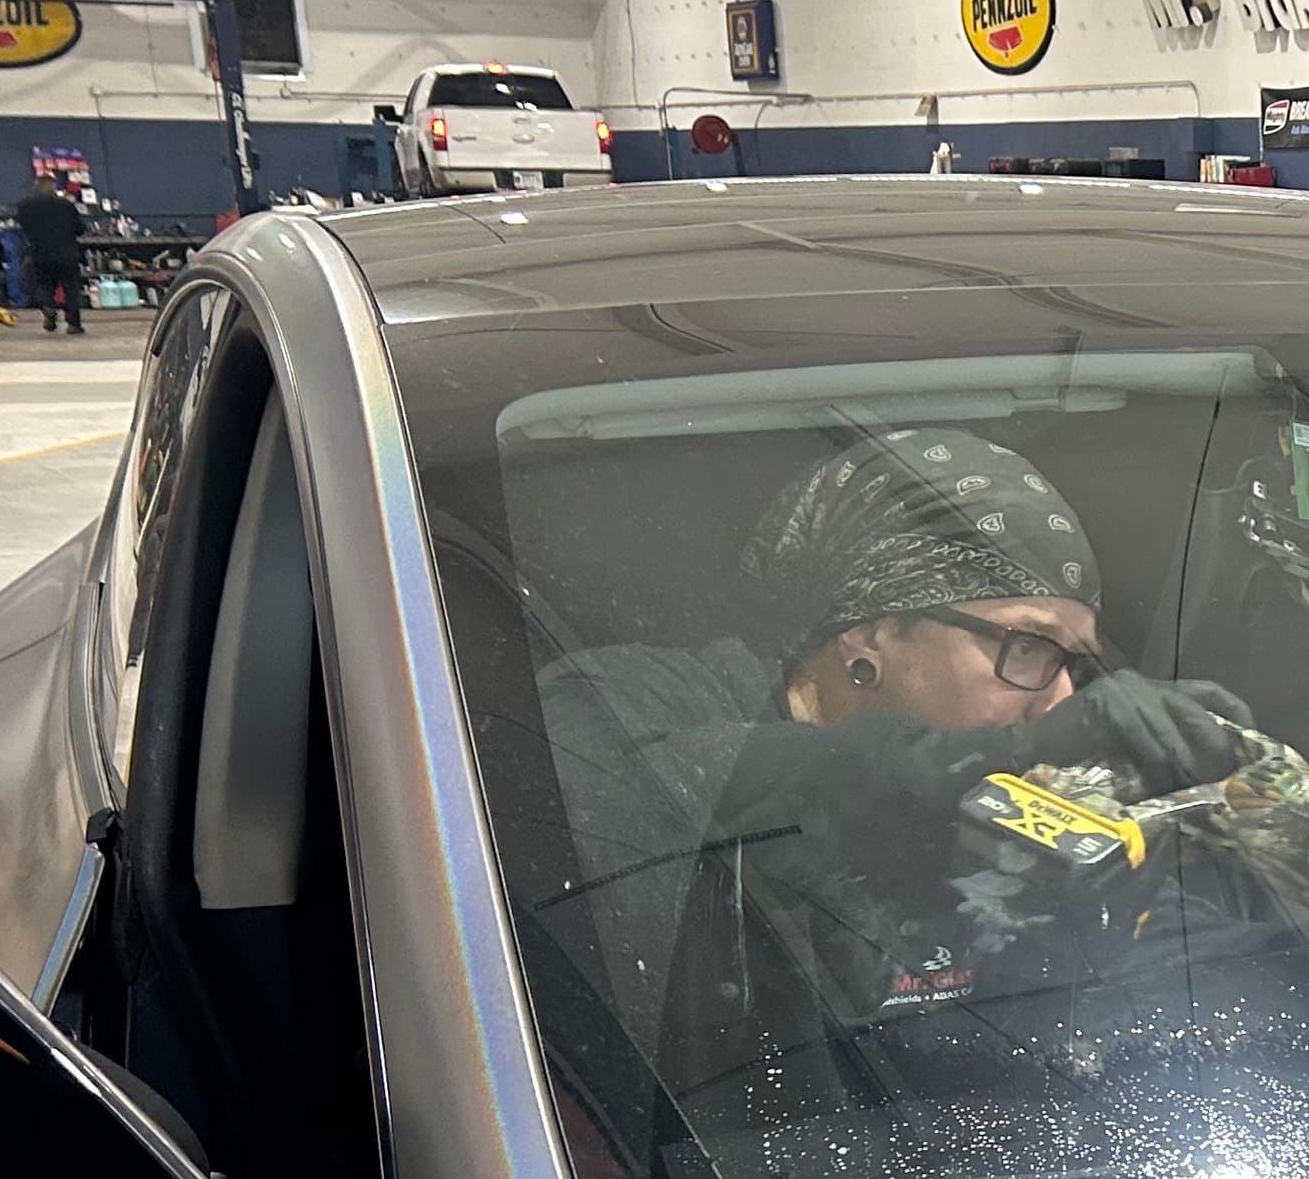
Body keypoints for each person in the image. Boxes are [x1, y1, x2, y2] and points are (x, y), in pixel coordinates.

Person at [537, 428, 1253, 1087]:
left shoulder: (1033, 813)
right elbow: (645, 794)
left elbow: (1157, 987)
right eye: (1027, 647)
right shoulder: (625, 701)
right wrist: (992, 757)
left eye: (1076, 665)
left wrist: (1282, 897)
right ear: (867, 639)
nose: (1060, 700)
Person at [13, 175, 89, 335]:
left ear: (36, 186)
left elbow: (23, 229)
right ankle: (74, 324)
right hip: (67, 253)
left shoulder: (24, 206)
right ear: (53, 187)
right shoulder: (65, 204)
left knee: (43, 284)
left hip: (40, 253)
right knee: (71, 289)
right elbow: (80, 229)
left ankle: (48, 307)